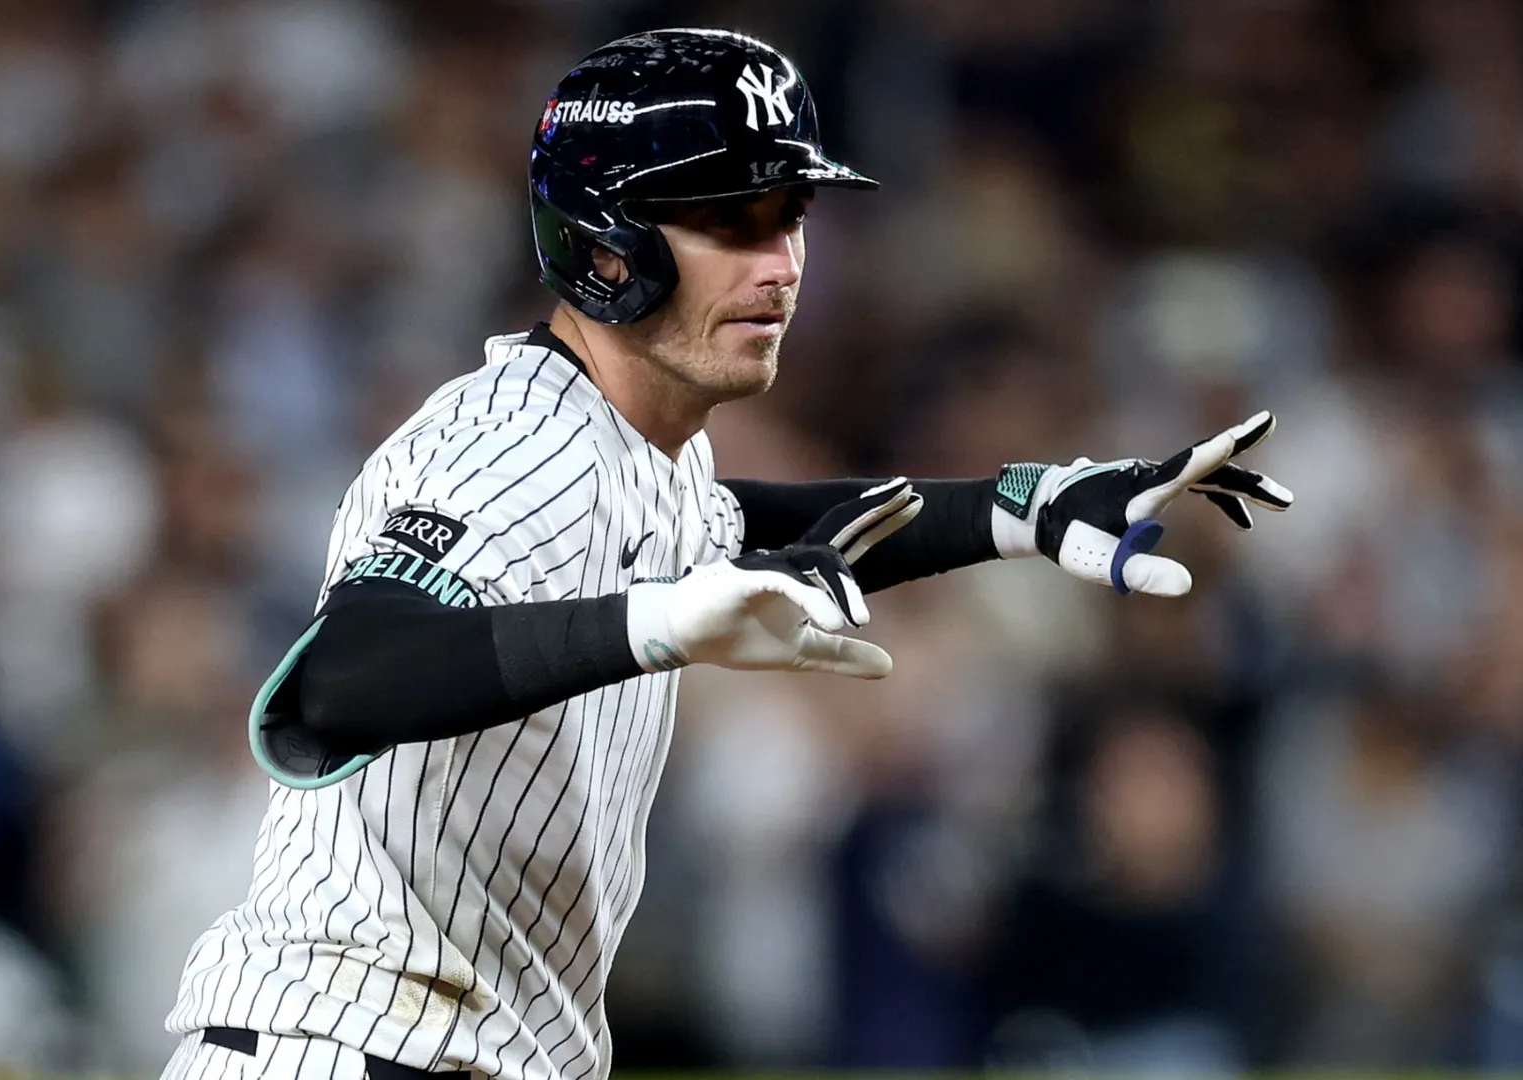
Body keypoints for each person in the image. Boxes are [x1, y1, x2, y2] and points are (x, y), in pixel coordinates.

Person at [160, 27, 1294, 1080]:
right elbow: (340, 679)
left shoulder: (633, 455)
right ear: (607, 243)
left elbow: (761, 520)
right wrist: (654, 622)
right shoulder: (508, 442)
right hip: (344, 1049)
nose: (782, 264)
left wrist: (1021, 506)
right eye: (732, 222)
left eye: (791, 216)